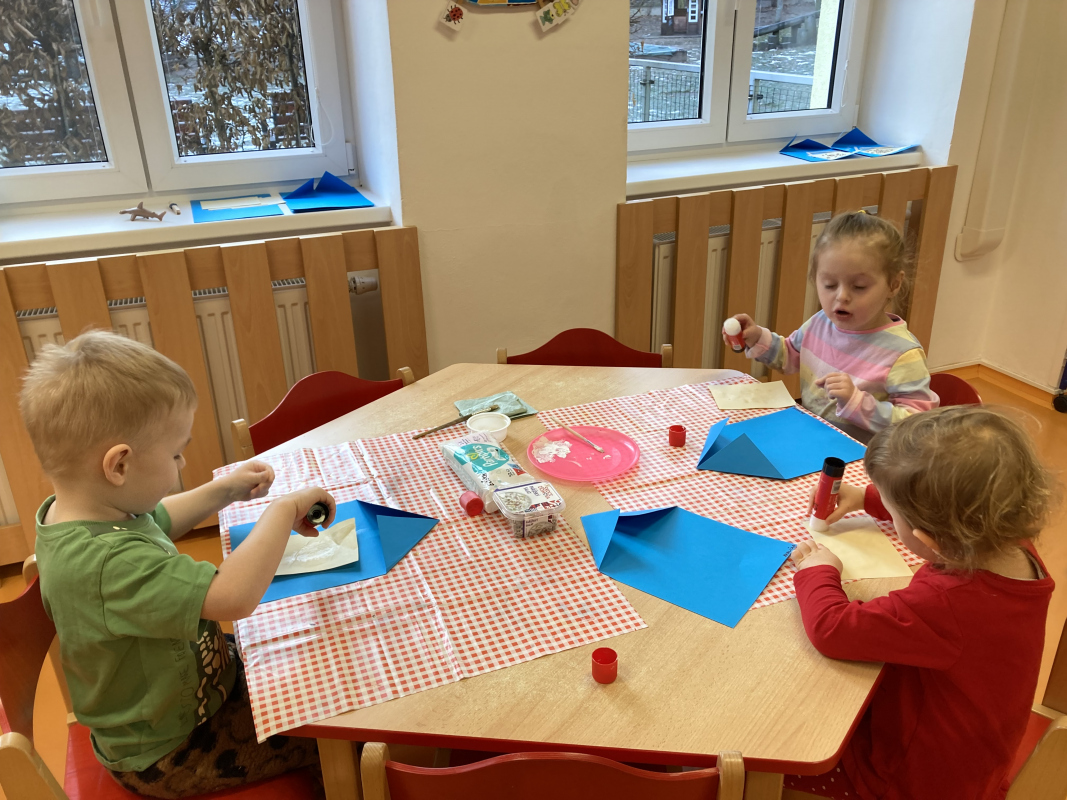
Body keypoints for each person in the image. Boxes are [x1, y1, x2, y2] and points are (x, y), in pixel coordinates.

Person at [19, 330, 335, 798]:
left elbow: (158, 518)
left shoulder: (84, 513)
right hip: (171, 750)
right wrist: (283, 511)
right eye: (174, 454)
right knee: (333, 729)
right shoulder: (107, 563)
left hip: (193, 692)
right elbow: (233, 596)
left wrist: (225, 490)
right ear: (119, 466)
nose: (182, 462)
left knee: (307, 654)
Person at [785, 406, 1055, 800]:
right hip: (974, 761)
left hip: (914, 782)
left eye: (894, 512)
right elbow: (955, 504)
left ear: (929, 539)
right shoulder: (1009, 541)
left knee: (778, 756)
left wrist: (817, 570)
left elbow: (832, 629)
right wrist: (868, 498)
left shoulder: (946, 603)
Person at [723, 211, 938, 440]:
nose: (842, 296)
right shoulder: (820, 323)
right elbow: (790, 355)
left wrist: (857, 402)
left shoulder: (903, 354)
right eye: (829, 285)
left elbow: (915, 426)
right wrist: (757, 337)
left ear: (894, 284)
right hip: (815, 439)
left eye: (859, 286)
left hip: (864, 455)